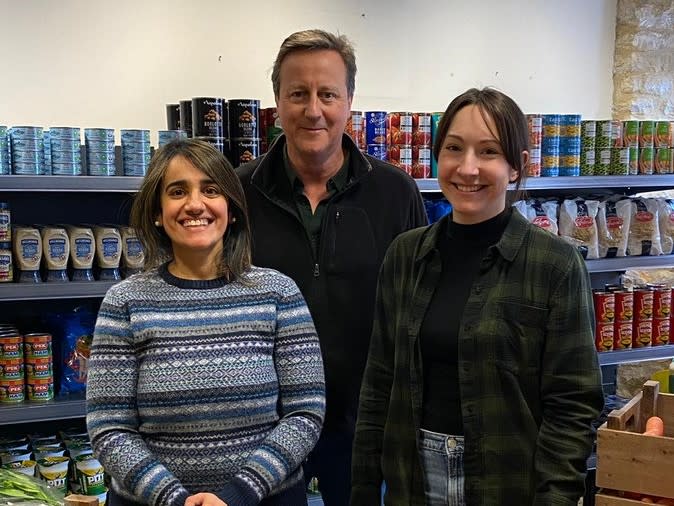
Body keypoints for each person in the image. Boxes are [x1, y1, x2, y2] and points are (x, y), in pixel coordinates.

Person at [350, 87, 605, 505]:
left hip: (508, 482)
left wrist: (556, 497)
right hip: (412, 478)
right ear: (438, 155)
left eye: (488, 151)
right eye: (454, 148)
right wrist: (362, 488)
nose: (467, 168)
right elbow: (379, 382)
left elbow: (573, 405)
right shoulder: (405, 255)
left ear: (518, 166)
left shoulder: (555, 264)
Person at [236, 29, 428, 505]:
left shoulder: (396, 193)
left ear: (349, 101)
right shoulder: (236, 192)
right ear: (277, 102)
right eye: (298, 94)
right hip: (263, 433)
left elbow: (419, 308)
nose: (313, 110)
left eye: (327, 94)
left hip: (367, 429)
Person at [86, 139, 325, 506]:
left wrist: (239, 492)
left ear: (231, 209)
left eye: (210, 190)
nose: (195, 204)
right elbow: (109, 428)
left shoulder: (278, 293)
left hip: (265, 499)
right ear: (157, 211)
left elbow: (305, 413)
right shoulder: (125, 302)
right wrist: (174, 498)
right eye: (177, 191)